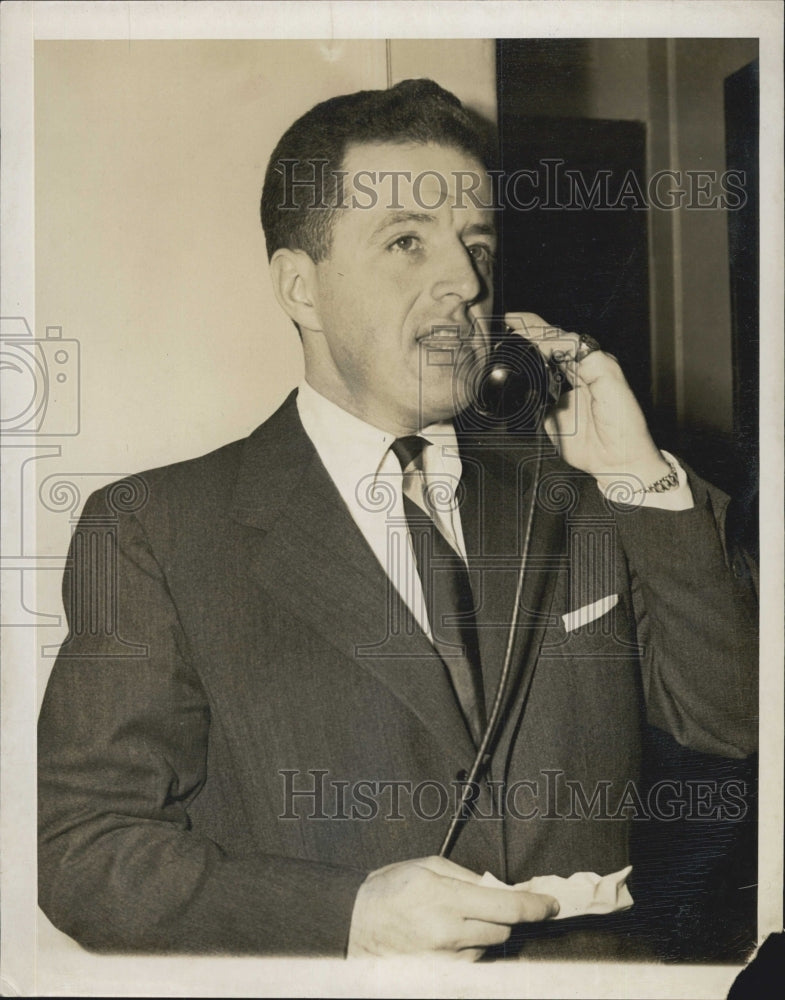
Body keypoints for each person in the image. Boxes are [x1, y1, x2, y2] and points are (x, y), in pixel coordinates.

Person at [38, 79, 758, 960]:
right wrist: (347, 917)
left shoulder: (583, 489)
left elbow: (737, 719)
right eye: (407, 242)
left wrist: (640, 479)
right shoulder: (152, 529)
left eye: (476, 244)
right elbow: (86, 854)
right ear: (299, 286)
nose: (464, 281)